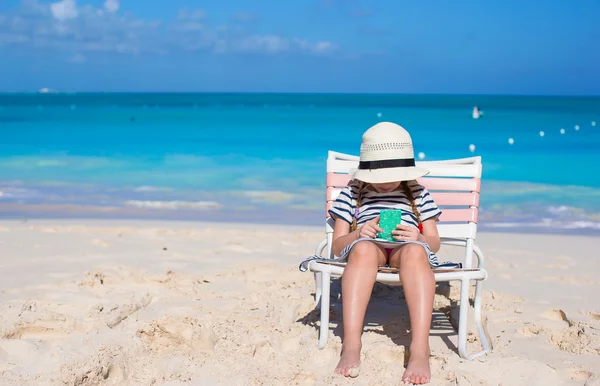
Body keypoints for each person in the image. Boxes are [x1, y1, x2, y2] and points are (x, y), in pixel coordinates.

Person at [328, 121, 450, 385]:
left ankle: (419, 349)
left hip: (405, 249)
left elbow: (435, 242)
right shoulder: (353, 192)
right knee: (362, 250)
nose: (384, 183)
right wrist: (358, 232)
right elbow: (337, 247)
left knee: (415, 254)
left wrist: (418, 237)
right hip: (368, 248)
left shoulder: (416, 192)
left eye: (391, 175)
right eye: (378, 177)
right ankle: (351, 344)